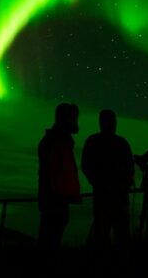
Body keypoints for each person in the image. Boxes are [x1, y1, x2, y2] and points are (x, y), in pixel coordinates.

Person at [81, 109, 134, 251]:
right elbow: (86, 166)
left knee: (115, 234)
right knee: (107, 234)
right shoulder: (118, 143)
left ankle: (107, 264)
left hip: (112, 196)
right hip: (108, 196)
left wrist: (124, 184)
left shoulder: (95, 141)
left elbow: (130, 168)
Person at [37, 102, 81, 252]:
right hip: (55, 200)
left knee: (50, 240)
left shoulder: (59, 141)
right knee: (50, 241)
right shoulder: (56, 142)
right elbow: (50, 173)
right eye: (73, 118)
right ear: (65, 119)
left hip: (57, 199)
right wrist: (54, 199)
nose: (76, 122)